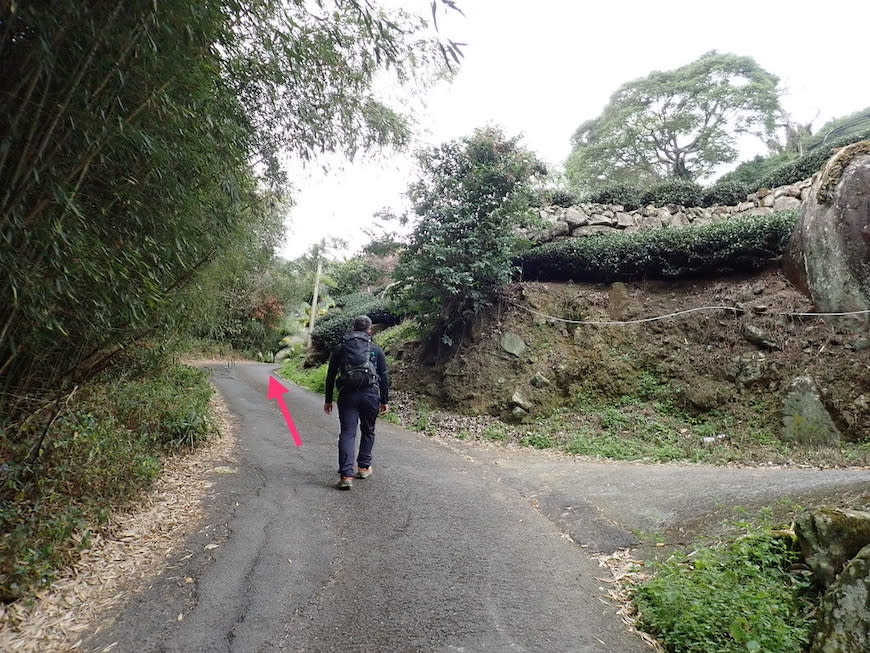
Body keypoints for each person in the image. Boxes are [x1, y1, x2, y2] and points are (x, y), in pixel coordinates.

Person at [323, 315, 389, 490]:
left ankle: (346, 476)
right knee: (368, 430)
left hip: (347, 395)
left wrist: (328, 399)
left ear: (353, 328)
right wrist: (384, 400)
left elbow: (330, 376)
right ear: (369, 329)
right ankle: (363, 467)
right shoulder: (375, 350)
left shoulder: (340, 348)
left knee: (347, 433)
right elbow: (383, 377)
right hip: (370, 395)